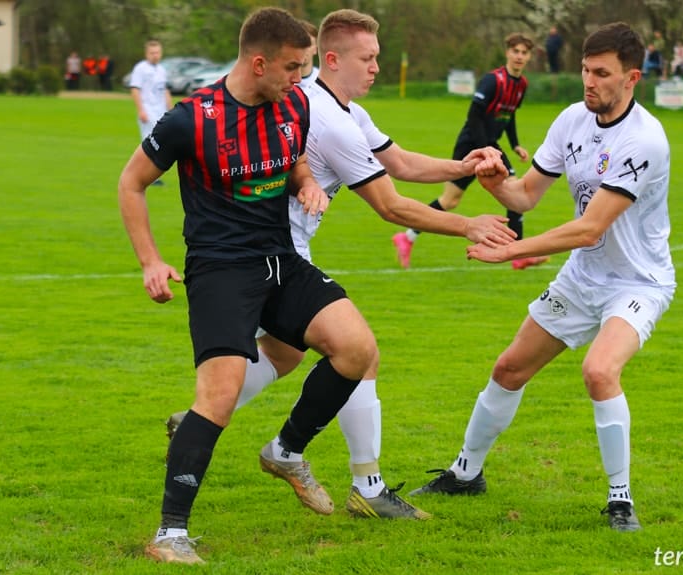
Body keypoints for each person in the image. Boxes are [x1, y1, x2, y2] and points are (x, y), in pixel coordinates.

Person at [165, 7, 515, 523]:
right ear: (331, 59)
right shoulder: (326, 119)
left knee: (285, 355)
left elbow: (398, 162)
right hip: (265, 249)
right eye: (367, 58)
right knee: (358, 355)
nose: (377, 67)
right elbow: (390, 204)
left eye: (378, 57)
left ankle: (207, 421)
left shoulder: (344, 109)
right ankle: (362, 484)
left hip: (281, 248)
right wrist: (468, 223)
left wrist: (463, 166)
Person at [119, 8, 379, 564]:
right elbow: (131, 183)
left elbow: (294, 163)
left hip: (280, 260)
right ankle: (170, 534)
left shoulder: (295, 104)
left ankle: (286, 451)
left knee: (356, 348)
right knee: (219, 393)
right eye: (293, 66)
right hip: (220, 270)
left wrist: (307, 183)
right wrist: (150, 261)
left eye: (306, 66)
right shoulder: (192, 118)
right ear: (258, 62)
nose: (301, 77)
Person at [409, 21, 676, 534]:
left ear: (632, 78)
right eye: (584, 70)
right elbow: (524, 196)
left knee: (599, 372)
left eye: (602, 73)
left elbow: (589, 226)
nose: (589, 81)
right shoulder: (572, 120)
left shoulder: (645, 140)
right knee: (509, 369)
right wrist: (493, 179)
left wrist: (510, 250)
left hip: (637, 282)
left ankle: (620, 499)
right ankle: (467, 473)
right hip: (583, 279)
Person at [392, 32, 549, 271]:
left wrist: (515, 144)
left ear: (529, 57)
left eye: (524, 53)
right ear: (507, 52)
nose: (519, 56)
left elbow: (509, 115)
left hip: (489, 146)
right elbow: (474, 115)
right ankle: (518, 254)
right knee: (471, 197)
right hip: (472, 145)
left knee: (460, 199)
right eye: (515, 51)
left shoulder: (521, 85)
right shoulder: (493, 80)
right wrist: (485, 149)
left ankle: (408, 238)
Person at [128, 40, 172, 185]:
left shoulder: (161, 70)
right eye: (152, 53)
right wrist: (141, 109)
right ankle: (149, 177)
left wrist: (171, 109)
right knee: (150, 144)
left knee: (161, 143)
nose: (155, 55)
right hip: (148, 110)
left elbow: (164, 90)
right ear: (147, 54)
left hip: (161, 111)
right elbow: (135, 89)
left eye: (158, 52)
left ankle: (153, 175)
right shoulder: (140, 69)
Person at [298, 19, 319, 88]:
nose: (304, 49)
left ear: (316, 49)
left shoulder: (325, 82)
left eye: (309, 44)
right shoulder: (281, 81)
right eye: (300, 43)